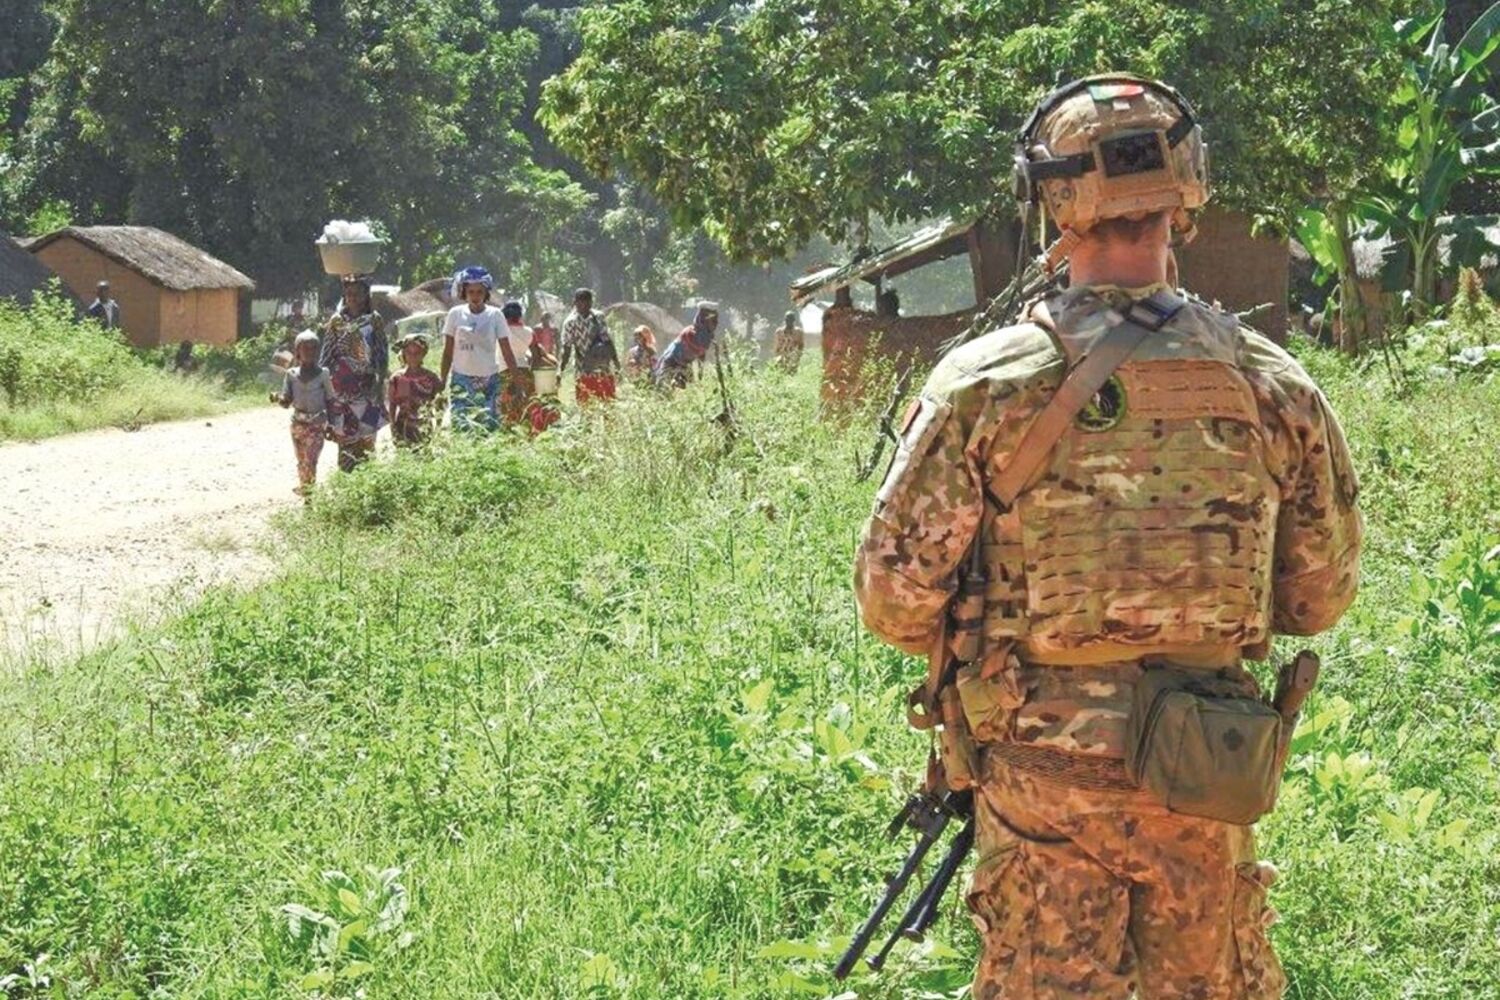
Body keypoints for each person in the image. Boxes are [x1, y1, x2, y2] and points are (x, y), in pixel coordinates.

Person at [853, 74, 1362, 1000]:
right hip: (1204, 768)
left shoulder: (984, 384)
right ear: (1187, 192)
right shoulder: (1274, 382)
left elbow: (893, 600)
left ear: (1051, 200)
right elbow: (1317, 598)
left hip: (1042, 774)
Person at [321, 276, 388, 471]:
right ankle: (347, 477)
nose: (353, 298)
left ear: (366, 295)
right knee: (345, 436)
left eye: (357, 293)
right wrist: (322, 384)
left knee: (368, 437)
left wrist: (379, 384)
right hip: (342, 389)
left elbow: (382, 354)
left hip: (369, 388)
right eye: (349, 293)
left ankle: (366, 478)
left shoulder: (374, 319)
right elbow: (327, 354)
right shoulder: (336, 321)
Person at [439, 266, 503, 432]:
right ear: (464, 293)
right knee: (462, 426)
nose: (475, 296)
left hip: (489, 380)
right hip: (462, 379)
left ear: (486, 293)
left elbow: (506, 349)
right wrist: (442, 379)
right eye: (471, 292)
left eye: (479, 292)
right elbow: (447, 351)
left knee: (489, 427)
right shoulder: (455, 314)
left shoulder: (496, 315)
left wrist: (516, 380)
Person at [272, 330, 334, 496]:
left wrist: (332, 424)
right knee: (301, 460)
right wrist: (278, 398)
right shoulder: (291, 374)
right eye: (305, 348)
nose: (309, 352)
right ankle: (305, 487)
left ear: (318, 351)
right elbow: (286, 401)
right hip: (298, 424)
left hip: (317, 424)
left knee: (311, 460)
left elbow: (331, 400)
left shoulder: (323, 374)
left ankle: (309, 493)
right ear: (297, 351)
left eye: (313, 348)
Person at [560, 288, 621, 404]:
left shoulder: (599, 317)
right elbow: (567, 348)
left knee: (608, 404)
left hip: (603, 368)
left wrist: (616, 363)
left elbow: (607, 340)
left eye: (587, 302)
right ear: (575, 303)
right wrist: (561, 371)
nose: (584, 306)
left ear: (591, 302)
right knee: (586, 406)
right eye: (581, 302)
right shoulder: (570, 323)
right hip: (583, 370)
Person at [387, 332, 443, 447]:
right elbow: (392, 405)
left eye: (417, 353)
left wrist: (438, 426)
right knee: (404, 456)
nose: (413, 356)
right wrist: (392, 427)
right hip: (402, 427)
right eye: (409, 353)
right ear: (404, 354)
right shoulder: (397, 378)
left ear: (424, 354)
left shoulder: (431, 378)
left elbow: (439, 404)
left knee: (424, 454)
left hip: (424, 428)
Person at [654, 300, 719, 390]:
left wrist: (700, 374)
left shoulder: (707, 338)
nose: (715, 323)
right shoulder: (690, 333)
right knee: (663, 388)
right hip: (671, 362)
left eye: (715, 320)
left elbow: (701, 355)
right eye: (712, 320)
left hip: (685, 366)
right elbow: (676, 352)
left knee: (687, 390)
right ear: (703, 319)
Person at [497, 300, 536, 427]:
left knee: (507, 411)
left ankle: (509, 435)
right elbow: (536, 355)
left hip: (505, 373)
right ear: (520, 315)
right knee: (526, 408)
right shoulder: (529, 331)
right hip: (525, 372)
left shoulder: (500, 331)